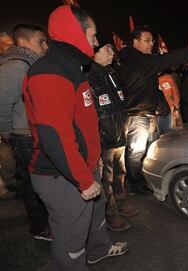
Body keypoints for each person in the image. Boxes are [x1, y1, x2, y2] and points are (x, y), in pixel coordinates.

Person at [23, 5, 127, 270]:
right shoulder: (50, 72)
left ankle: (98, 251)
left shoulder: (74, 67)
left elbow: (82, 122)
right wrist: (82, 179)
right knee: (71, 238)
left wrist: (92, 164)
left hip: (82, 168)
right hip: (61, 176)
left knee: (95, 216)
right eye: (92, 34)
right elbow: (55, 135)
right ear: (75, 32)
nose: (96, 41)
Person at [116, 25, 188, 194]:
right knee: (136, 151)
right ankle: (134, 185)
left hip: (144, 112)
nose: (151, 44)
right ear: (135, 42)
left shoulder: (136, 59)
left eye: (152, 41)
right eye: (147, 40)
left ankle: (138, 178)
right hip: (137, 114)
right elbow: (168, 59)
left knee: (143, 149)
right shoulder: (137, 60)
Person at [0, 23, 50, 240]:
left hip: (35, 132)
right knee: (33, 182)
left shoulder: (33, 63)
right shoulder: (16, 66)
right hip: (24, 135)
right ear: (23, 42)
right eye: (41, 41)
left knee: (40, 180)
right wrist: (9, 134)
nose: (46, 45)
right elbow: (2, 104)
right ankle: (39, 226)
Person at [86, 43, 137, 232]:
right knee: (105, 179)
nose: (112, 53)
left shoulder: (111, 73)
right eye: (107, 50)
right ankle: (110, 212)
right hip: (104, 139)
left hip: (119, 135)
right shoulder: (88, 75)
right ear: (94, 53)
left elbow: (119, 105)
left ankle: (121, 201)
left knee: (120, 173)